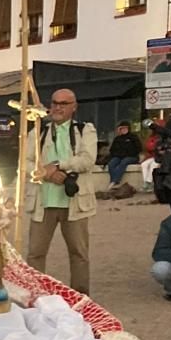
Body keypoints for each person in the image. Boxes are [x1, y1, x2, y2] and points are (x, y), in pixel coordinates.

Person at [26, 89, 97, 295]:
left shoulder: (85, 130)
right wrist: (46, 173)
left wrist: (58, 166)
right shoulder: (37, 131)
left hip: (74, 202)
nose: (58, 107)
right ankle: (36, 295)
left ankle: (81, 297)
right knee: (35, 253)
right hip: (43, 201)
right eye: (55, 102)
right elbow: (25, 163)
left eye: (64, 103)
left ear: (74, 107)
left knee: (79, 253)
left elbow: (87, 159)